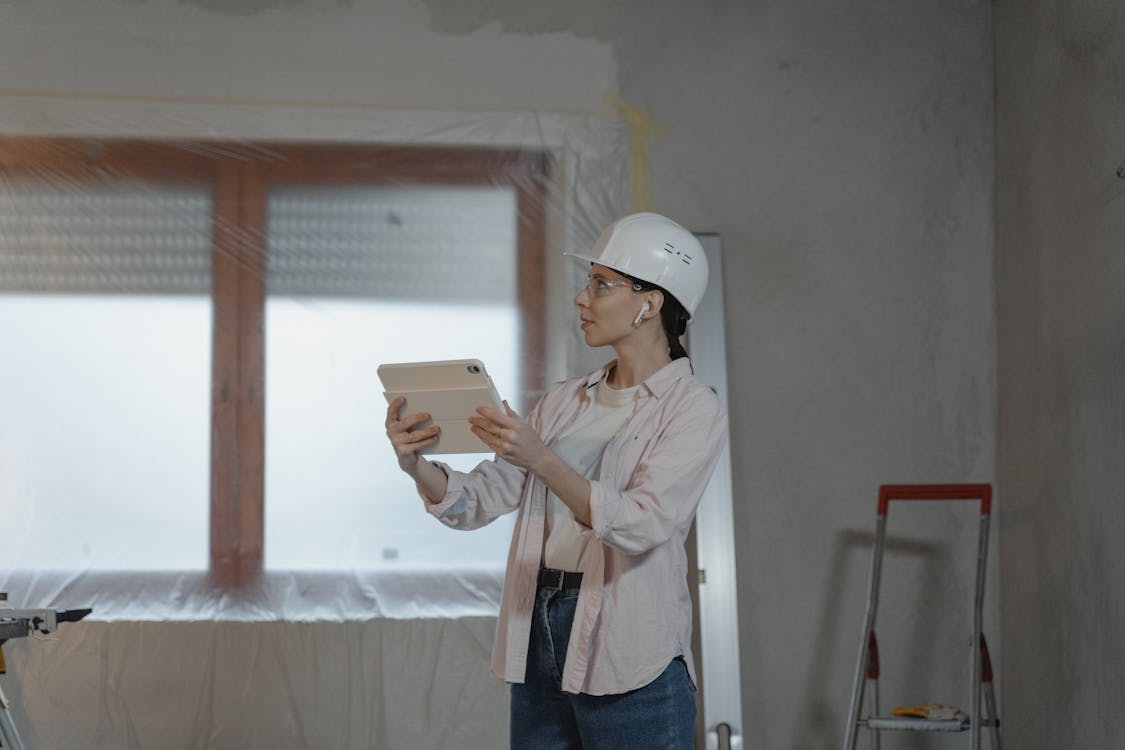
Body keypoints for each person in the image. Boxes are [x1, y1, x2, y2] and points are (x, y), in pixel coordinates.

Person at [385, 212, 728, 750]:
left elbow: (642, 524)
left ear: (651, 302)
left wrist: (543, 459)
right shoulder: (566, 400)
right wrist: (417, 464)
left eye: (600, 284)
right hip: (539, 629)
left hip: (628, 646)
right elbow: (477, 501)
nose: (581, 298)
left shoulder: (693, 410)